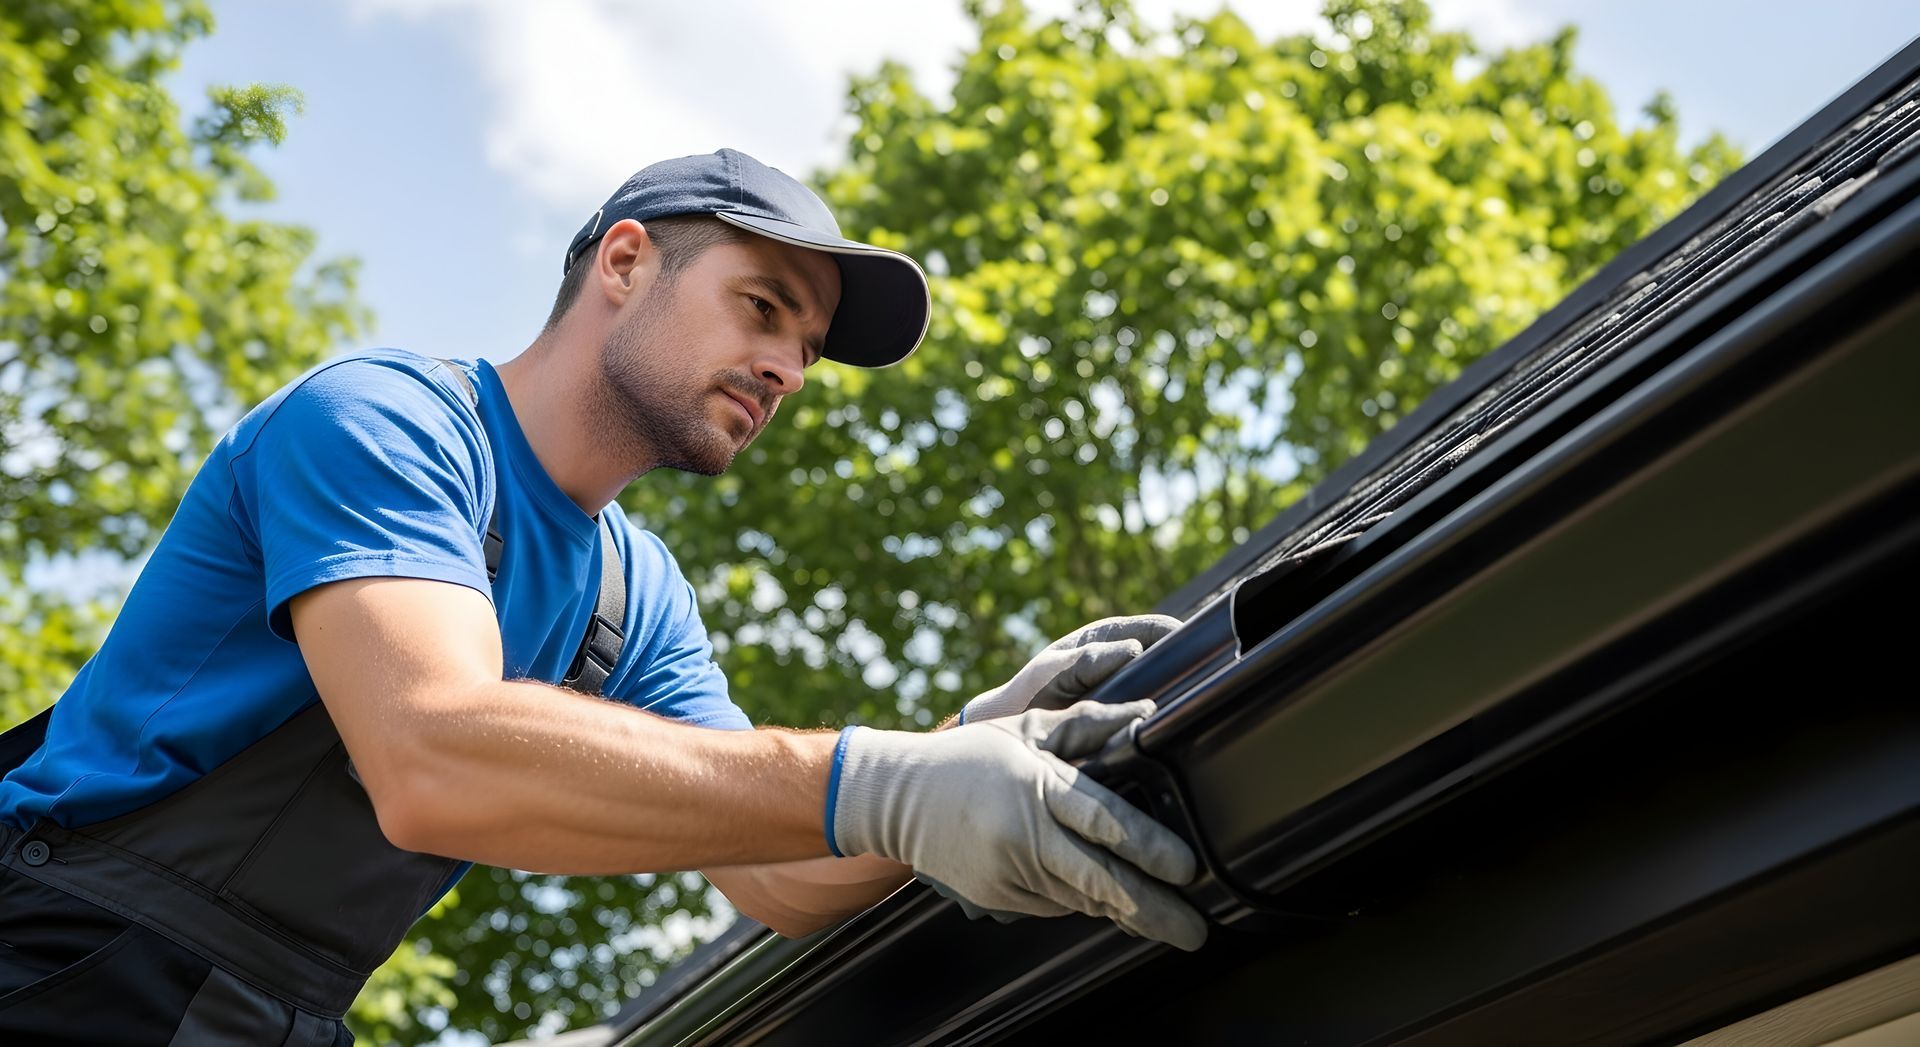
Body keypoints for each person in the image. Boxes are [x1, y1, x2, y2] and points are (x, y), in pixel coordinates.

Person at [0, 148, 1203, 1043]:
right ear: (625, 262)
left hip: (279, 1017)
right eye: (764, 306)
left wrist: (960, 752)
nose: (788, 367)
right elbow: (432, 754)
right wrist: (880, 782)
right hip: (64, 963)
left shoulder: (634, 595)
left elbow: (777, 873)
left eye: (809, 349)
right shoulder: (388, 424)